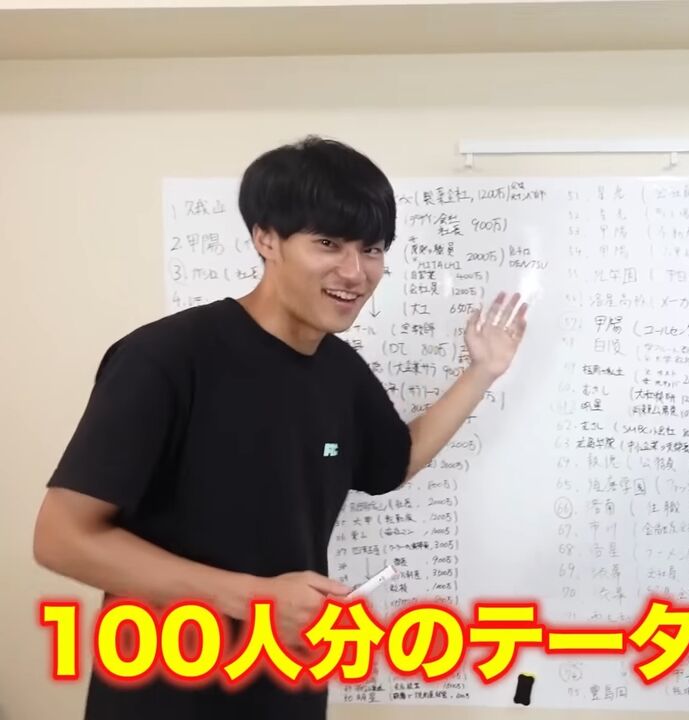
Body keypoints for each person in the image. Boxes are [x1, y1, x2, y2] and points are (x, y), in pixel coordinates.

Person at [32, 136, 530, 719]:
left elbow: (393, 462)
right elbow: (61, 538)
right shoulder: (167, 357)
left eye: (371, 249)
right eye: (328, 243)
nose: (355, 272)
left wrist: (482, 372)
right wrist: (256, 599)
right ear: (266, 238)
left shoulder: (340, 371)